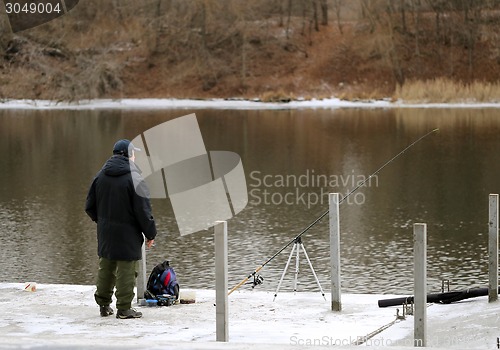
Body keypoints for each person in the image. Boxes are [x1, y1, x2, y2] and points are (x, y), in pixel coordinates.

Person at [85, 139, 157, 319]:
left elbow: (89, 206)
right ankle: (124, 309)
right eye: (134, 153)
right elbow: (143, 211)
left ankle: (103, 305)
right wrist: (150, 233)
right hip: (128, 234)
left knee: (106, 267)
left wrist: (101, 221)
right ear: (128, 155)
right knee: (126, 269)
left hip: (105, 231)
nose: (135, 157)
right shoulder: (135, 178)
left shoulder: (100, 176)